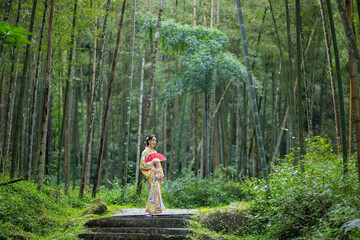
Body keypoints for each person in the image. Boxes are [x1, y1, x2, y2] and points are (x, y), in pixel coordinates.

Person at [140, 134, 165, 216]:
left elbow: (159, 165)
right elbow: (142, 165)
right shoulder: (145, 152)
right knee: (152, 191)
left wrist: (161, 173)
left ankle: (154, 211)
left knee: (157, 192)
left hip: (156, 175)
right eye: (153, 140)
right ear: (149, 141)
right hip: (150, 174)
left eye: (155, 140)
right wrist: (152, 163)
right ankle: (148, 210)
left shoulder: (155, 152)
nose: (154, 142)